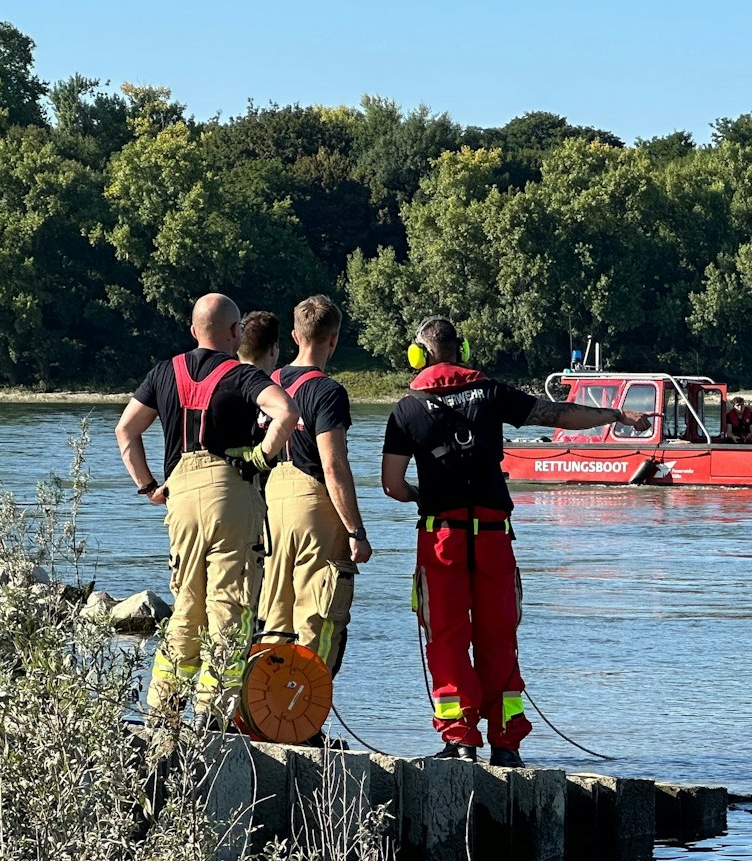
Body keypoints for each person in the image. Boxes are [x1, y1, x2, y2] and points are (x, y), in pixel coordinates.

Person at [381, 315, 649, 767]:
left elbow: (392, 484)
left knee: (445, 638)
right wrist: (618, 415)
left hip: (441, 537)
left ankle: (460, 739)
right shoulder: (491, 392)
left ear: (418, 356)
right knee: (498, 637)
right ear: (461, 351)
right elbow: (558, 413)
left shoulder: (406, 410)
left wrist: (425, 498)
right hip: (493, 538)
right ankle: (506, 744)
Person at [117, 293, 299, 721]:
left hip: (179, 494)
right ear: (235, 332)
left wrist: (148, 487)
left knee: (186, 605)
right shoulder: (240, 375)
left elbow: (126, 431)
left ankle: (163, 709)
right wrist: (262, 456)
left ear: (192, 328)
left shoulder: (163, 373)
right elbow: (286, 411)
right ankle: (214, 715)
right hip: (230, 492)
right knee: (230, 606)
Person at [258, 295, 371, 681]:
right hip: (314, 506)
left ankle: (263, 713)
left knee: (273, 613)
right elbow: (333, 464)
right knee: (319, 614)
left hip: (270, 504)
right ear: (334, 340)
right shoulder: (327, 392)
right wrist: (355, 530)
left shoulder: (266, 383)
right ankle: (302, 716)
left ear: (294, 335)